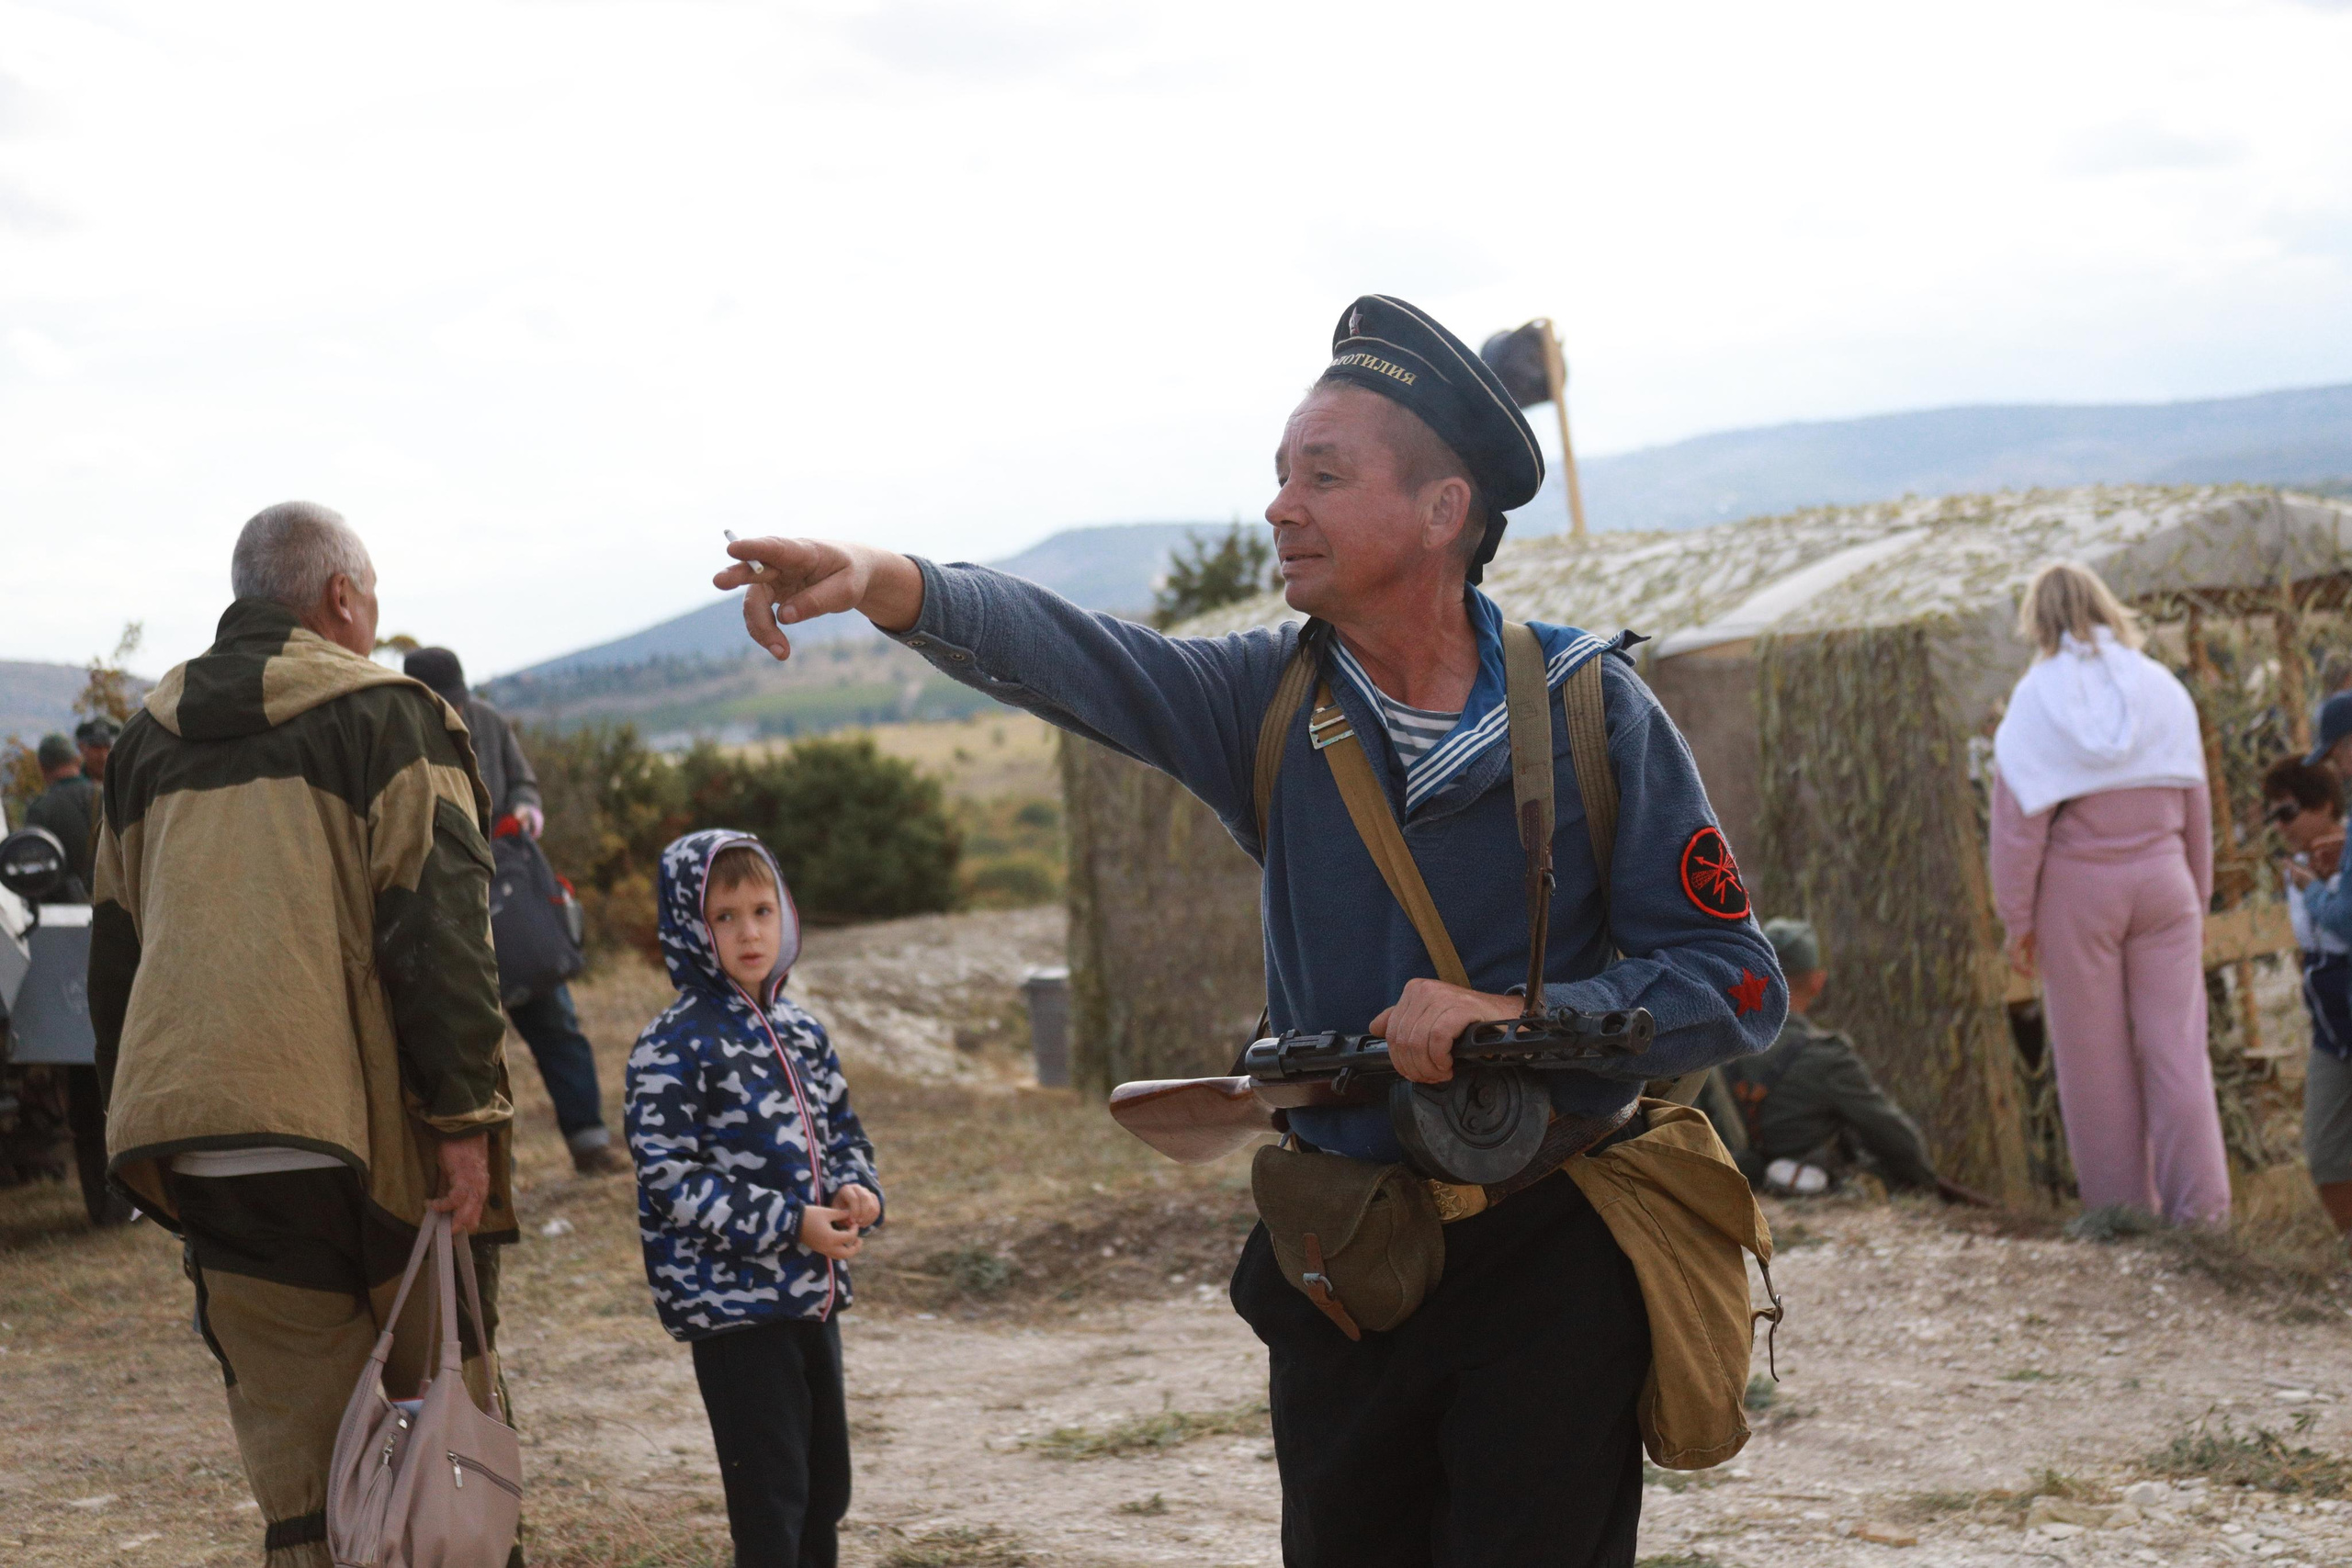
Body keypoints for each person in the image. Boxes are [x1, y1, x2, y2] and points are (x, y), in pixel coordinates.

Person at [713, 294, 1783, 1567]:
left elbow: (1740, 986)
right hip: (1346, 1263)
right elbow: (1078, 658)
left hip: (1556, 1256)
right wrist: (889, 582)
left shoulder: (1594, 709)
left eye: (1322, 476)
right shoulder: (1262, 704)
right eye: (1281, 474)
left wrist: (1519, 1018)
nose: (1281, 507)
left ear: (1443, 511)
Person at [86, 501, 518, 1568]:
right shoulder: (388, 716)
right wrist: (466, 1118)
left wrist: (135, 1134)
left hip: (201, 1141)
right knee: (433, 1434)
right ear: (340, 597)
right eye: (371, 602)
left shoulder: (142, 746)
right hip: (367, 1136)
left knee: (305, 1476)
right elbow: (441, 931)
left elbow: (114, 964)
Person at [626, 829, 882, 1568]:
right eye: (725, 916)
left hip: (811, 1297)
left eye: (763, 909)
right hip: (733, 1310)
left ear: (786, 916)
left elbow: (843, 1131)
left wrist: (857, 1188)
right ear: (688, 926)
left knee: (824, 1490)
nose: (749, 931)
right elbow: (669, 1177)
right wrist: (789, 1222)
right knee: (771, 1503)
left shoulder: (803, 1031)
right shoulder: (670, 1046)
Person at [1988, 559, 2227, 1227]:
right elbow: (2198, 803)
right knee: (2178, 1047)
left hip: (2079, 891)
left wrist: (2018, 922)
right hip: (2165, 880)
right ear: (2105, 605)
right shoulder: (2161, 688)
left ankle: (2122, 1213)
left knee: (2093, 1059)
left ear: (2038, 618)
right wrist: (2196, 898)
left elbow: (2017, 831)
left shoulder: (2034, 698)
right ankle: (2203, 1215)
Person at [404, 645, 621, 1176]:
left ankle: (589, 1142)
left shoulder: (488, 721)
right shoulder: (400, 734)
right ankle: (480, 1165)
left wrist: (526, 808)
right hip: (440, 910)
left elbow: (524, 782)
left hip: (510, 896)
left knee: (555, 1021)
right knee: (457, 1045)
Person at [1701, 918, 1939, 1195]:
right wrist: (1925, 1182)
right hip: (1811, 1195)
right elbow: (1892, 1136)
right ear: (1817, 982)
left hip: (1724, 1189)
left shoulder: (1713, 1050)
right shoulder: (1827, 1057)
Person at [2263, 756, 2352, 1242]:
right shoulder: (2298, 869)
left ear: (2323, 805)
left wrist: (2316, 889)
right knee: (2325, 1148)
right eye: (2273, 815)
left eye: (2288, 812)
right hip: (2331, 1024)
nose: (2280, 826)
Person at [23, 731, 98, 898]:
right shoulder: (110, 796)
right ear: (77, 761)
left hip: (59, 912)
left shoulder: (41, 809)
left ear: (42, 768)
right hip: (116, 908)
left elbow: (31, 870)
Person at [75, 715, 119, 785]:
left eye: (108, 747)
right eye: (96, 748)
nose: (103, 755)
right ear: (81, 747)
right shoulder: (73, 786)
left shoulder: (129, 784)